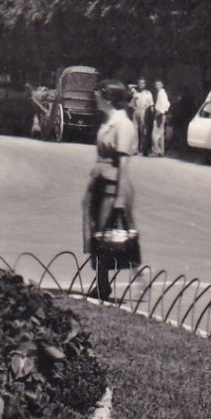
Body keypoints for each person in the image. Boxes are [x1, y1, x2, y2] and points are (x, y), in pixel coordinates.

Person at [83, 79, 141, 301]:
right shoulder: (108, 122)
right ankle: (102, 285)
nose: (94, 98)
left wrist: (119, 198)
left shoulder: (122, 125)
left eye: (97, 94)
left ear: (107, 98)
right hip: (100, 184)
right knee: (99, 235)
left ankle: (131, 279)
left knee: (111, 237)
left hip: (113, 186)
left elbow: (124, 163)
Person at [132, 79, 154, 155]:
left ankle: (143, 148)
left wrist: (151, 114)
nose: (141, 84)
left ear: (145, 84)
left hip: (144, 111)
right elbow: (131, 104)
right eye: (139, 83)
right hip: (136, 111)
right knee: (134, 130)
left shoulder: (148, 93)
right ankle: (135, 148)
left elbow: (151, 105)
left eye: (142, 83)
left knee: (143, 130)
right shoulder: (135, 93)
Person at [151, 80, 170, 157]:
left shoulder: (161, 93)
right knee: (160, 133)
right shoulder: (162, 93)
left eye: (158, 85)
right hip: (162, 114)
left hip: (160, 114)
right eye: (156, 85)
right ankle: (161, 151)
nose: (157, 86)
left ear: (162, 85)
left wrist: (159, 113)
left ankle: (156, 151)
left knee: (155, 133)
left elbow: (164, 104)